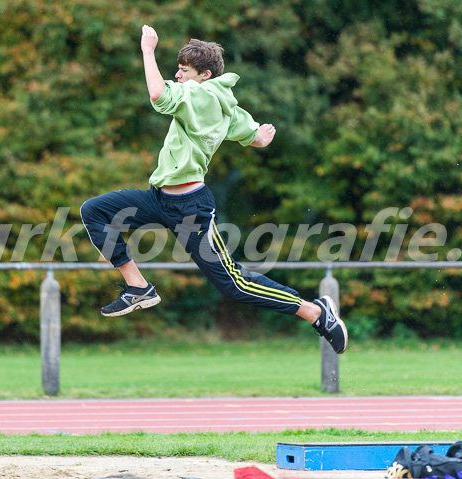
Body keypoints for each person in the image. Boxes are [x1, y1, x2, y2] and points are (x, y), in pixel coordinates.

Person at [80, 25, 348, 354]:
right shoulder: (221, 102)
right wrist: (259, 136)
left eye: (183, 70)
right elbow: (250, 132)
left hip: (189, 209)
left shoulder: (201, 95)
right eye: (177, 69)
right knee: (94, 210)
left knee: (233, 283)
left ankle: (316, 313)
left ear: (204, 75)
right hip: (159, 199)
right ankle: (138, 287)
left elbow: (156, 96)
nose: (177, 76)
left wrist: (148, 51)